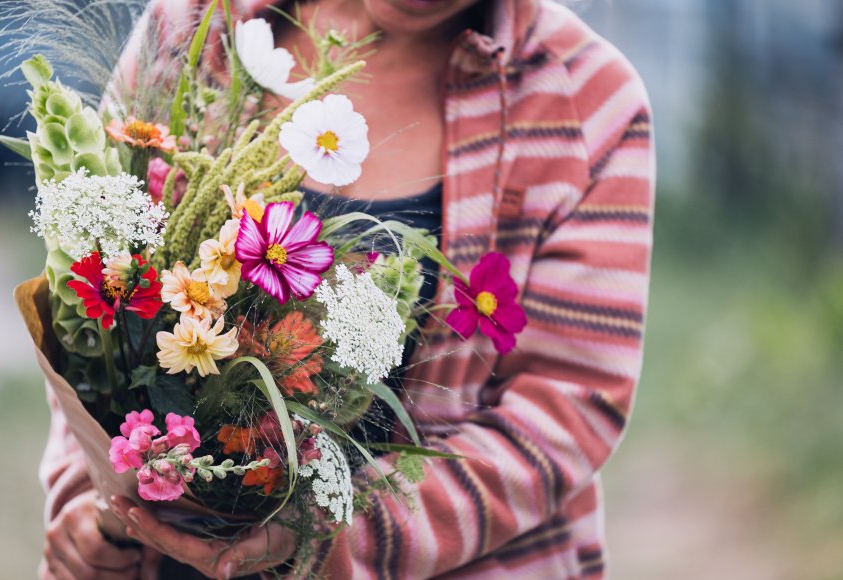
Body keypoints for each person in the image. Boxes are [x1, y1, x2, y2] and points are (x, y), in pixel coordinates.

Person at [38, 0, 655, 577]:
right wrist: (90, 504)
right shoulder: (199, 26)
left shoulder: (586, 101)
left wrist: (324, 537)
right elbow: (95, 290)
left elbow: (566, 406)